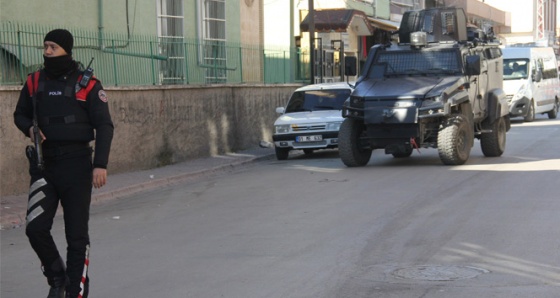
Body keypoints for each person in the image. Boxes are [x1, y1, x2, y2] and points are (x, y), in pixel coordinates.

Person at [13, 29, 114, 298]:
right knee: (35, 228)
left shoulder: (88, 84)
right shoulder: (34, 81)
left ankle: (75, 292)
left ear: (66, 50)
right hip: (44, 167)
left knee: (76, 237)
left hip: (78, 167)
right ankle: (57, 277)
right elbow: (20, 114)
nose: (47, 52)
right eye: (45, 46)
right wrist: (30, 130)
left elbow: (104, 126)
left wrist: (100, 164)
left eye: (53, 47)